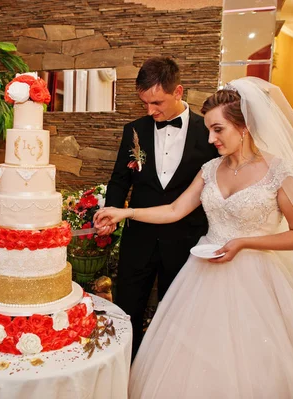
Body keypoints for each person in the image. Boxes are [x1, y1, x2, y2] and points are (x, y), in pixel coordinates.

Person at [95, 77, 293, 398]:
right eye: (210, 129)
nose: (211, 138)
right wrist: (124, 213)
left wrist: (244, 242)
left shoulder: (279, 173)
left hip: (256, 279)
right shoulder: (210, 169)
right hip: (203, 277)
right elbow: (173, 210)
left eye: (218, 129)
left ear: (244, 127)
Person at [99, 57, 218, 358]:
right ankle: (124, 368)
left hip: (186, 240)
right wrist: (111, 212)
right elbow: (118, 180)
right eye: (145, 104)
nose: (151, 111)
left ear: (178, 91)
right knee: (127, 311)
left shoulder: (209, 133)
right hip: (138, 239)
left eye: (157, 102)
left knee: (176, 315)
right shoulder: (134, 130)